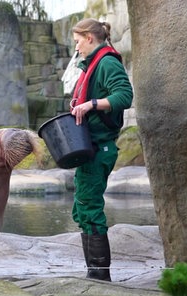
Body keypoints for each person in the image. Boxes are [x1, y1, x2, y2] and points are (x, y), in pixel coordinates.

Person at [68, 18, 133, 281]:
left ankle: (99, 276)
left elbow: (125, 96)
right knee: (82, 208)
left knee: (90, 207)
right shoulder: (90, 65)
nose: (77, 48)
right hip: (89, 147)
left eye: (77, 42)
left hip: (99, 147)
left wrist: (91, 104)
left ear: (90, 38)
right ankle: (94, 272)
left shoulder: (106, 62)